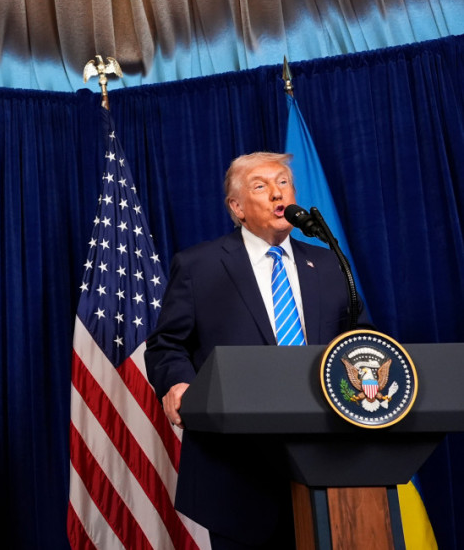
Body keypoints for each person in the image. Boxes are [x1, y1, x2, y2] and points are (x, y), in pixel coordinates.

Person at [145, 152, 371, 549]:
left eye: (283, 183)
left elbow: (360, 341)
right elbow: (167, 344)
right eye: (261, 186)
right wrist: (179, 383)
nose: (277, 193)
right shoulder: (199, 266)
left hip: (330, 464)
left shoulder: (329, 264)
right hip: (239, 471)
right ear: (237, 208)